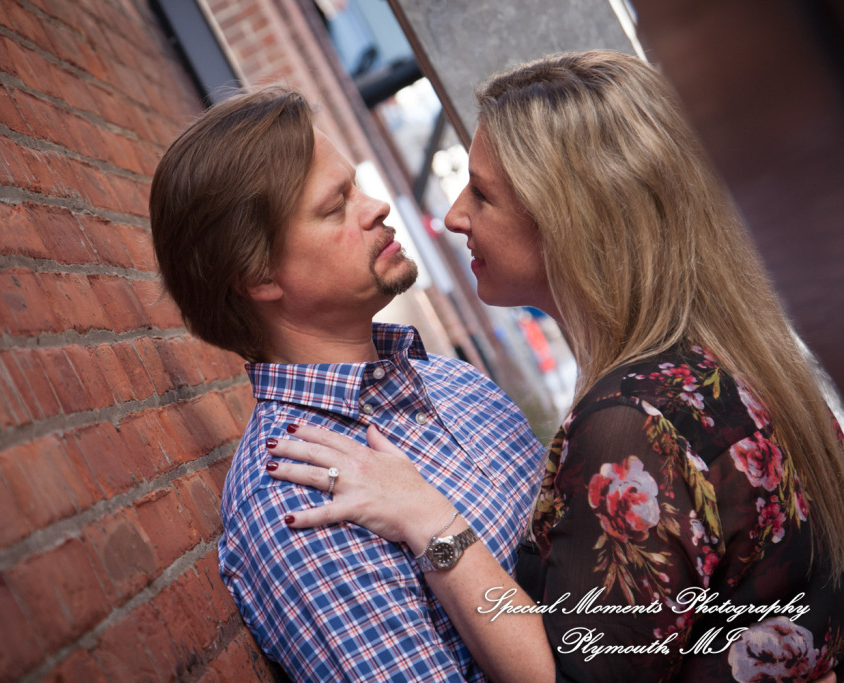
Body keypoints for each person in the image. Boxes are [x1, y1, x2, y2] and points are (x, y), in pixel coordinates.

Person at [265, 51, 844, 682]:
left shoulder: (629, 426)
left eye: (481, 193)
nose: (455, 214)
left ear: (569, 221)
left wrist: (431, 521)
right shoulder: (727, 363)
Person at [148, 87, 545, 681]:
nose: (377, 206)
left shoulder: (457, 384)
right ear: (259, 275)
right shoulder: (299, 500)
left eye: (355, 185)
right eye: (336, 207)